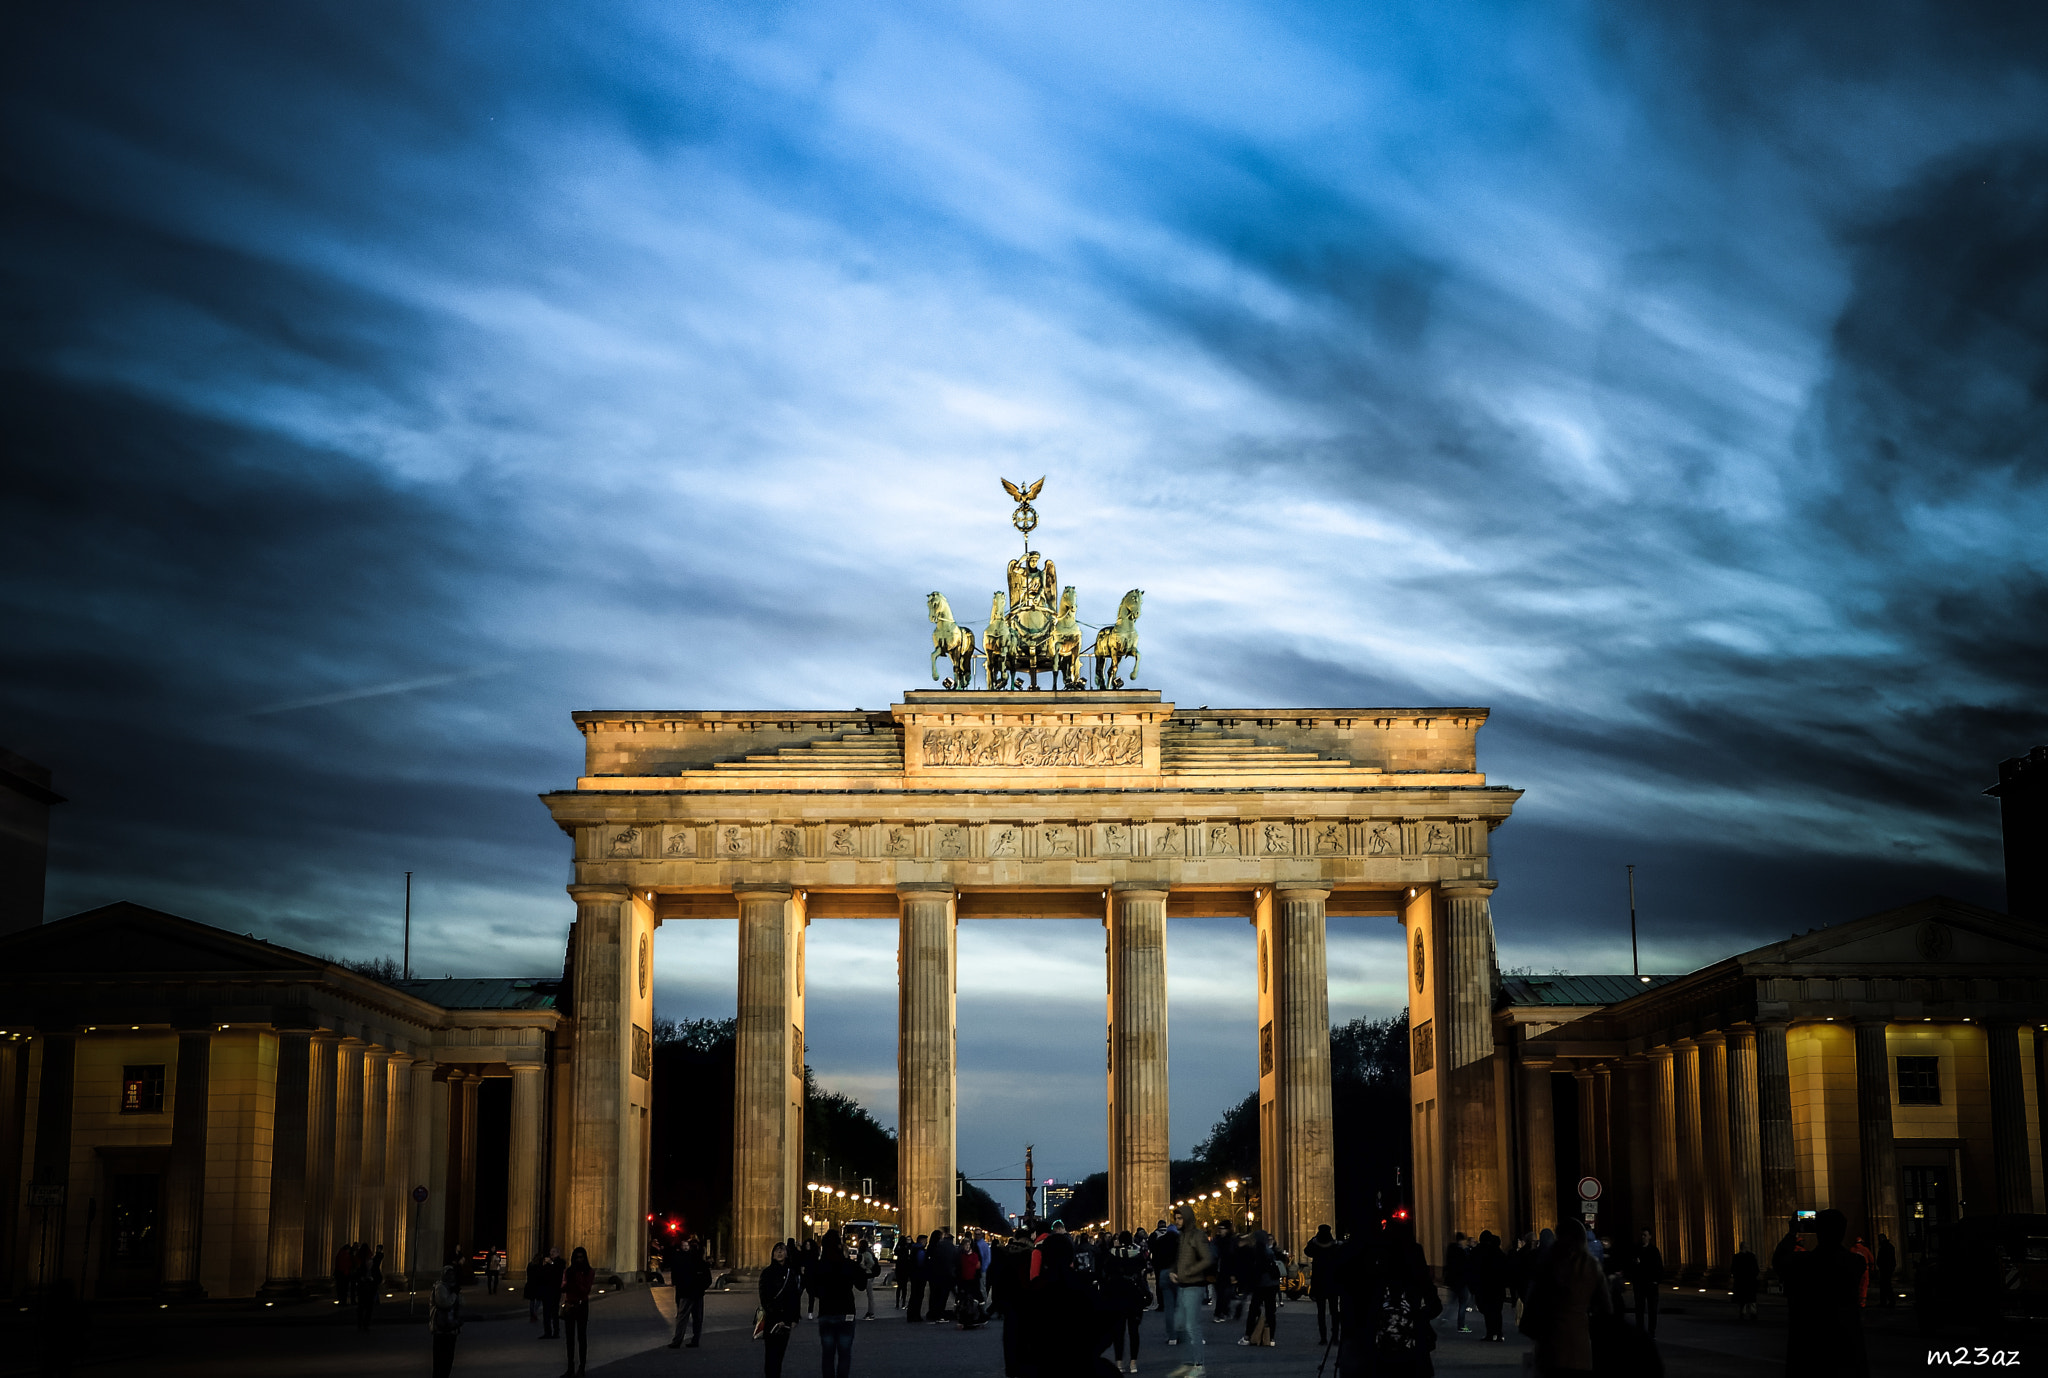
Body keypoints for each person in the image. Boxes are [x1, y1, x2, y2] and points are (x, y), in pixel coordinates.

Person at [1335, 1220, 1439, 1378]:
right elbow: (1434, 1303)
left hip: (1378, 1348)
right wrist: (1416, 1317)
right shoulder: (1413, 1256)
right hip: (1410, 1347)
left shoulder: (1373, 1259)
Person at [1773, 1210, 1867, 1378]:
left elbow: (1779, 1260)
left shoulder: (1802, 1263)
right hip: (1845, 1344)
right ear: (1843, 1231)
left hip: (1809, 1346)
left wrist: (1792, 1232)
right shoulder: (1855, 1262)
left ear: (1817, 1231)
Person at [1524, 1218, 1610, 1377]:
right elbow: (1605, 1308)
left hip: (1550, 1344)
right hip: (1580, 1344)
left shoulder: (1548, 1263)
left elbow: (1533, 1303)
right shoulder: (1591, 1266)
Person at [808, 1230, 869, 1378]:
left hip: (826, 1311)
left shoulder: (819, 1265)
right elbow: (861, 1284)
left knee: (827, 1354)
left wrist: (821, 1294)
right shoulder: (847, 1264)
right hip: (846, 1310)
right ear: (839, 1245)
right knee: (844, 1353)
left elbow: (810, 1286)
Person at [1167, 1205, 1215, 1377]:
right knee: (1181, 1325)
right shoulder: (1183, 1236)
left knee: (1191, 1326)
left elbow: (1207, 1258)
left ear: (1187, 1218)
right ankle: (1189, 1362)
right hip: (1182, 1286)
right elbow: (1179, 1258)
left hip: (1194, 1286)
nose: (1177, 1221)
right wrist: (1174, 1270)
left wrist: (1187, 1272)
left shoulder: (1197, 1235)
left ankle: (1198, 1365)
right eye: (1176, 1218)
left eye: (1180, 1218)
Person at [1107, 1231, 1150, 1372]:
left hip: (1117, 1296)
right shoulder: (1137, 1253)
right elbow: (1144, 1271)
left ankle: (1119, 1363)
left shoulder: (1112, 1254)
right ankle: (1133, 1363)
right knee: (1133, 1331)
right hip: (1134, 1296)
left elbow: (1106, 1273)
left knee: (1118, 1331)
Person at [761, 1241, 805, 1378]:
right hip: (772, 1319)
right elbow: (764, 1297)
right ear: (773, 1255)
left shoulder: (791, 1273)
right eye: (776, 1250)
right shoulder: (767, 1273)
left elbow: (795, 1297)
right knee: (770, 1354)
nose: (779, 1252)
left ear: (786, 1253)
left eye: (782, 1250)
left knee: (780, 1354)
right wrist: (776, 1316)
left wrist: (794, 1318)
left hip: (786, 1319)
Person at [1236, 1230, 1282, 1347]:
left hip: (1260, 1284)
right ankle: (1270, 1337)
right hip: (1271, 1284)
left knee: (1253, 1310)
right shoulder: (1269, 1251)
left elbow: (1253, 1269)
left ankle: (1248, 1336)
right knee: (1271, 1311)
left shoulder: (1255, 1250)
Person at [668, 1236, 713, 1348]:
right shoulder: (701, 1263)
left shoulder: (684, 1260)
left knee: (682, 1318)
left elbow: (678, 1277)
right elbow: (708, 1279)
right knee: (697, 1318)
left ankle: (677, 1341)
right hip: (697, 1294)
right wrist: (702, 1288)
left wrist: (680, 1290)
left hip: (686, 1293)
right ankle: (695, 1340)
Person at [561, 1245, 596, 1378]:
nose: (579, 1260)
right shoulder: (568, 1271)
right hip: (570, 1305)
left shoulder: (589, 1272)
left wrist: (576, 1279)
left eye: (581, 1257)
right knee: (569, 1339)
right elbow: (563, 1287)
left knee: (582, 1337)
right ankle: (570, 1367)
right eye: (576, 1257)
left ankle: (582, 1367)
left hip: (582, 1305)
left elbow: (585, 1290)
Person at [1303, 1224, 1340, 1346]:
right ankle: (1335, 1336)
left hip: (1319, 1282)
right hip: (1333, 1282)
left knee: (1321, 1312)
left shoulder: (1315, 1245)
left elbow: (1307, 1251)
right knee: (1334, 1311)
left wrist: (1313, 1240)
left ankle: (1323, 1337)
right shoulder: (1334, 1246)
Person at [1470, 1231, 1508, 1342]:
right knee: (1496, 1311)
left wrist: (1473, 1286)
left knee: (1488, 1311)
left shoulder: (1478, 1252)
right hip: (1497, 1288)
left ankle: (1491, 1333)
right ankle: (1498, 1333)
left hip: (1484, 1288)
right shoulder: (1498, 1253)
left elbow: (1473, 1269)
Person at [429, 1264, 464, 1378]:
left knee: (448, 1360)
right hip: (441, 1328)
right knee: (440, 1361)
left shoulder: (451, 1287)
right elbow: (444, 1303)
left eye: (452, 1274)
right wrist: (454, 1294)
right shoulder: (440, 1287)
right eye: (449, 1274)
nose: (451, 1277)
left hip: (451, 1328)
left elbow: (462, 1304)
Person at [1624, 1229, 1662, 1335]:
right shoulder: (1637, 1249)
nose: (1643, 1237)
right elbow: (1631, 1266)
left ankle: (1651, 1331)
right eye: (1642, 1235)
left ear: (1650, 1236)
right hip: (1640, 1283)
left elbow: (1658, 1267)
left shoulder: (1654, 1250)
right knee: (1639, 1309)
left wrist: (1656, 1281)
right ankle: (1640, 1330)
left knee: (1652, 1309)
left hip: (1651, 1284)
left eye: (1645, 1235)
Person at [1149, 1218, 1180, 1327]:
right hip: (1176, 1270)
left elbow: (1152, 1250)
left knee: (1163, 1291)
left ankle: (1162, 1305)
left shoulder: (1157, 1238)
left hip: (1161, 1270)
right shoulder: (1179, 1240)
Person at [532, 1248, 565, 1340]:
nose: (551, 1254)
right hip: (546, 1291)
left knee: (554, 1313)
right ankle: (547, 1332)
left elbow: (559, 1272)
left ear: (558, 1253)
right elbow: (539, 1274)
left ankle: (556, 1332)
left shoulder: (560, 1262)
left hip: (555, 1291)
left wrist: (551, 1263)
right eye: (550, 1252)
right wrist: (542, 1265)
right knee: (546, 1313)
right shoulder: (546, 1263)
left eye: (554, 1252)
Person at [1444, 1232, 1471, 1334]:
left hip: (1453, 1280)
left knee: (1452, 1301)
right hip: (1461, 1281)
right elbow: (1465, 1265)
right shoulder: (1461, 1251)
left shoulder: (1450, 1249)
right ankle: (1461, 1325)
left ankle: (1445, 1317)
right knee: (1463, 1304)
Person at [357, 1245, 384, 1331]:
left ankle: (366, 1324)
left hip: (371, 1290)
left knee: (369, 1309)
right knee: (361, 1308)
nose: (369, 1263)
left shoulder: (375, 1269)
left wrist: (373, 1280)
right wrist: (361, 1279)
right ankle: (360, 1323)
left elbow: (379, 1278)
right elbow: (357, 1277)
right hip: (363, 1290)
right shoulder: (362, 1269)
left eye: (370, 1262)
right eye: (368, 1262)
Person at [1731, 1240, 1760, 1321]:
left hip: (1742, 1281)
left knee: (1743, 1298)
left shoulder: (1737, 1257)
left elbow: (1733, 1269)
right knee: (1751, 1298)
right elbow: (1756, 1269)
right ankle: (1752, 1313)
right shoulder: (1751, 1256)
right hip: (1749, 1280)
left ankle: (1743, 1313)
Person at [904, 1234, 928, 1322]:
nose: (926, 1243)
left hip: (914, 1276)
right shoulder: (921, 1251)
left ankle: (911, 1314)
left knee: (913, 1295)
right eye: (925, 1241)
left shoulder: (913, 1249)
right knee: (919, 1295)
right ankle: (916, 1315)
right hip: (920, 1276)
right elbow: (921, 1264)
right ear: (921, 1241)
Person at [1851, 1236, 1874, 1307]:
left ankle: (1856, 1302)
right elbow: (1871, 1259)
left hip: (1855, 1271)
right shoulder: (1865, 1249)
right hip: (1864, 1270)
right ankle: (1862, 1303)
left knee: (1856, 1286)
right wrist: (1872, 1269)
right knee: (1864, 1286)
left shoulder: (1852, 1250)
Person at [1876, 1234, 1897, 1309]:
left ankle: (1889, 1301)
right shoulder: (1888, 1247)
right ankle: (1886, 1302)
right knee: (1885, 1286)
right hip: (1886, 1268)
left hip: (1886, 1269)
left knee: (1886, 1286)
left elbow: (1885, 1259)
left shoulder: (1885, 1247)